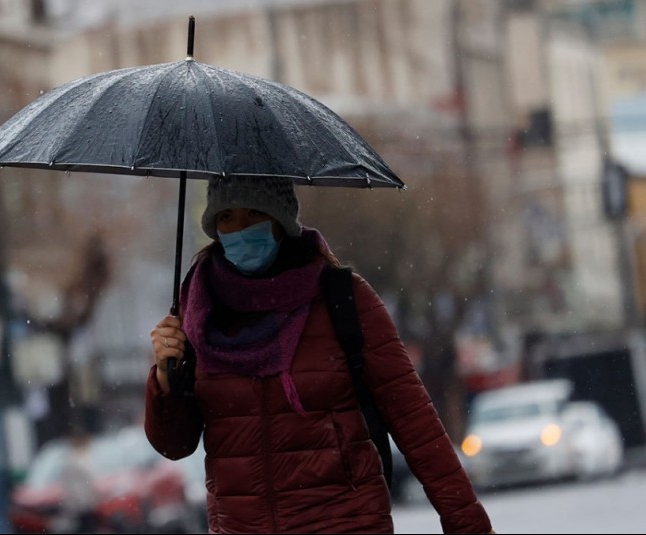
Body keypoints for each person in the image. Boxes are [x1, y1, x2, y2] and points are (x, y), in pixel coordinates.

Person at [144, 176, 494, 534]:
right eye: (227, 217)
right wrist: (164, 378)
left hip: (343, 524)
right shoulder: (197, 314)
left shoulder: (341, 298)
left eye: (253, 213)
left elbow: (414, 421)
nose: (240, 229)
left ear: (281, 220)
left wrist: (468, 523)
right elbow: (175, 445)